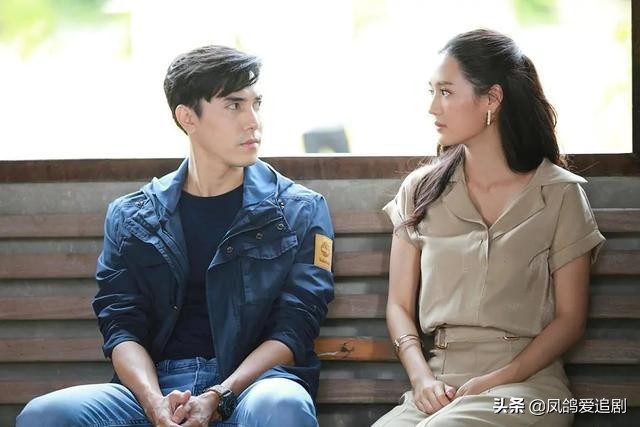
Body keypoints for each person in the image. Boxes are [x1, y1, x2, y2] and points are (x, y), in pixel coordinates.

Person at [17, 45, 335, 427]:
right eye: (234, 105)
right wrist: (154, 403)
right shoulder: (132, 216)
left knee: (282, 404)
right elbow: (121, 328)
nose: (253, 121)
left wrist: (219, 395)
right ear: (188, 117)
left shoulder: (299, 210)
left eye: (256, 104)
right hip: (155, 391)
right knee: (44, 415)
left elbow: (295, 327)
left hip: (252, 389)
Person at [372, 29, 605, 427]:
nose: (432, 107)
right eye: (432, 91)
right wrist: (421, 379)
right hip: (439, 386)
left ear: (492, 98)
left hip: (528, 387)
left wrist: (498, 379)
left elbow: (570, 319)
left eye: (446, 92)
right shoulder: (421, 190)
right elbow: (398, 305)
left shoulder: (559, 193)